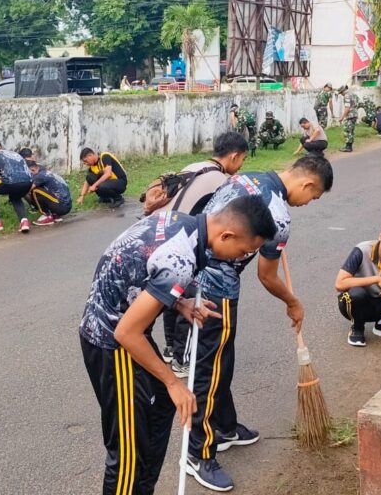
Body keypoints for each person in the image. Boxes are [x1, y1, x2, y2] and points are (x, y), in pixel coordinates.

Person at [80, 196, 278, 495]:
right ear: (227, 235)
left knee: (159, 408)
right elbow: (126, 334)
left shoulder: (184, 224)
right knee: (128, 449)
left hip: (124, 323)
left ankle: (143, 488)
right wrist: (174, 381)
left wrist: (179, 302)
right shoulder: (182, 259)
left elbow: (145, 269)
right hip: (110, 340)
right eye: (242, 251)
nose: (238, 259)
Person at [185, 155, 334, 492]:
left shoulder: (249, 178)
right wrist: (293, 302)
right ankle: (198, 452)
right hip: (214, 288)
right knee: (209, 370)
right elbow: (267, 276)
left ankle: (223, 426)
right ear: (308, 184)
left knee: (222, 360)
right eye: (314, 197)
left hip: (194, 268)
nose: (309, 203)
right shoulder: (278, 216)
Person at [155, 131, 250, 370]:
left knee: (171, 293)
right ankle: (181, 359)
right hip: (181, 241)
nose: (240, 166)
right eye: (243, 160)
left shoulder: (194, 166)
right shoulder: (223, 182)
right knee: (189, 294)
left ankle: (169, 348)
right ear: (235, 156)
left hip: (159, 233)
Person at [0, 138, 34, 233]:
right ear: (0, 146)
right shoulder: (15, 154)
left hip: (11, 181)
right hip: (28, 181)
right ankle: (24, 221)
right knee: (15, 197)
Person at [28, 161, 73, 226]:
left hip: (61, 206)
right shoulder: (47, 173)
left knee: (35, 191)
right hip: (66, 205)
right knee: (43, 190)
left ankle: (47, 216)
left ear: (33, 169)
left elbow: (28, 189)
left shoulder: (40, 176)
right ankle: (55, 215)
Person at [337, 85, 359, 152]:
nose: (341, 94)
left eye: (341, 93)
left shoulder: (347, 95)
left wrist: (342, 117)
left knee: (347, 130)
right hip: (354, 114)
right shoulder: (353, 94)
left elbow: (347, 107)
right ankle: (349, 146)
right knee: (351, 130)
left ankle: (348, 147)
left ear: (343, 91)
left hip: (350, 115)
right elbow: (358, 103)